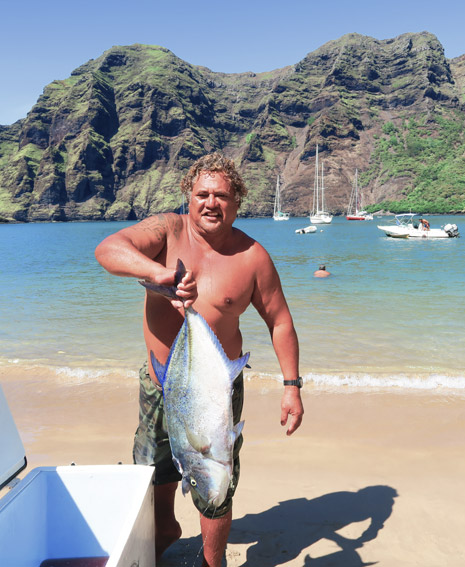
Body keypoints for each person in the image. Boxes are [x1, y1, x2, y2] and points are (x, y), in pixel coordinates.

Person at [94, 153, 304, 567]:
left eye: (222, 195)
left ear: (238, 202)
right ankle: (166, 528)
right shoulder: (167, 231)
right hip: (160, 382)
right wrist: (158, 276)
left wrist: (291, 387)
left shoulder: (253, 257)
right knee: (152, 469)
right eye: (202, 194)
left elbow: (280, 322)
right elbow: (109, 249)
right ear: (188, 198)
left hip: (217, 387)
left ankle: (213, 560)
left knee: (216, 473)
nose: (211, 203)